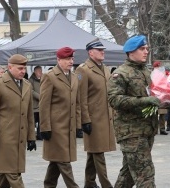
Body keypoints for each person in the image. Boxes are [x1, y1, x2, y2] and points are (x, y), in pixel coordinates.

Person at [108, 35, 160, 188]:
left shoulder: (147, 72)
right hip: (131, 132)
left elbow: (154, 96)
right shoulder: (120, 74)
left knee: (128, 176)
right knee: (145, 175)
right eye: (142, 49)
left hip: (146, 129)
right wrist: (143, 101)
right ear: (131, 52)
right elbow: (114, 100)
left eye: (146, 49)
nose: (146, 52)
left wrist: (167, 99)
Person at [0, 54, 36, 187]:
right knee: (14, 174)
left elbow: (29, 114)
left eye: (24, 68)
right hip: (4, 139)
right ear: (10, 67)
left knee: (7, 174)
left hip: (19, 138)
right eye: (20, 68)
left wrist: (31, 137)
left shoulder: (26, 85)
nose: (23, 71)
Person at [75, 39, 116, 188]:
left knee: (94, 152)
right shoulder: (83, 70)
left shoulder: (105, 69)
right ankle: (106, 185)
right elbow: (81, 97)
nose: (102, 52)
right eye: (99, 50)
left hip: (105, 117)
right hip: (93, 119)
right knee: (98, 152)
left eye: (103, 49)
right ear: (90, 52)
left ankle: (89, 183)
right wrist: (84, 120)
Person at [39, 47, 81, 188]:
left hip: (69, 127)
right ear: (58, 60)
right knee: (64, 160)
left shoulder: (74, 77)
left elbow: (77, 102)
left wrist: (78, 124)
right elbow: (44, 104)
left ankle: (49, 185)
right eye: (67, 59)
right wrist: (44, 127)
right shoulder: (49, 76)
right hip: (56, 127)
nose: (71, 61)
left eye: (72, 59)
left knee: (56, 161)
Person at [152, 61, 168, 135]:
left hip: (162, 96)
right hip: (154, 96)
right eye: (157, 67)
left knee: (163, 114)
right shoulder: (151, 74)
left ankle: (162, 129)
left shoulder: (163, 75)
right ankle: (154, 129)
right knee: (154, 114)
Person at [29, 65, 43, 140]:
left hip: (42, 105)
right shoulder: (31, 80)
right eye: (39, 71)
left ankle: (40, 135)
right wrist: (39, 96)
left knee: (41, 122)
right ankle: (31, 136)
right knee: (33, 121)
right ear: (35, 72)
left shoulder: (43, 79)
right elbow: (31, 91)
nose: (40, 72)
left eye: (41, 71)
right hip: (34, 105)